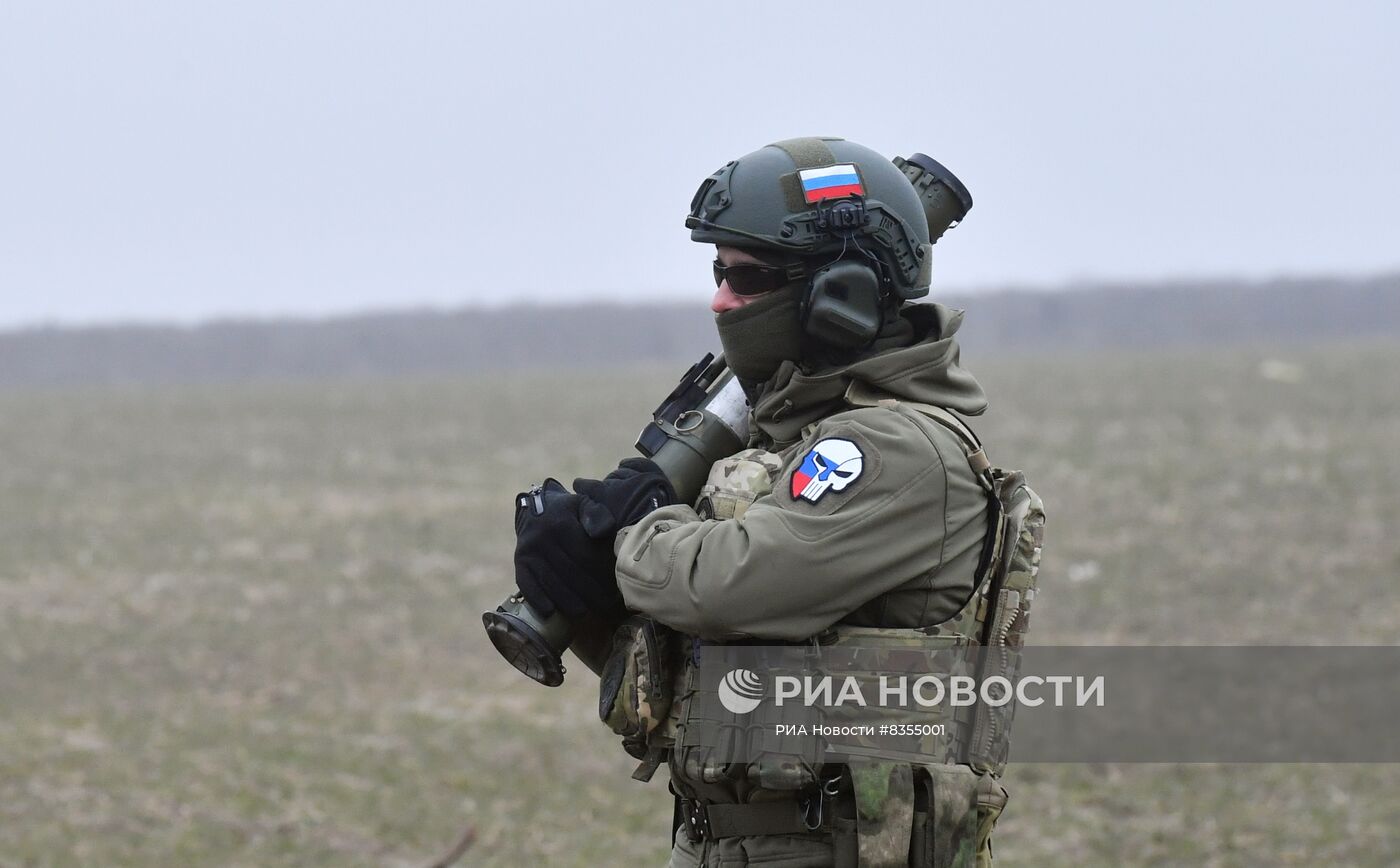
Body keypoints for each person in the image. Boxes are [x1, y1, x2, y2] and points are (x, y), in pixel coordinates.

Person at [513, 137, 1031, 867]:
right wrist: (586, 591)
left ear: (840, 300)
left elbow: (726, 585)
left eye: (748, 277)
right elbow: (712, 678)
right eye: (718, 272)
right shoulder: (785, 443)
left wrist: (628, 534)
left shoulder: (896, 450)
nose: (722, 300)